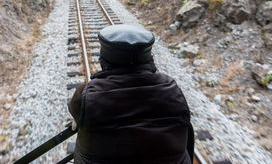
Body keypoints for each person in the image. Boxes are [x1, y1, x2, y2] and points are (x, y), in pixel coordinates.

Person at [68, 24, 193, 164]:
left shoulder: (87, 95)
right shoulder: (172, 88)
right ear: (149, 59)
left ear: (103, 62)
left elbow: (75, 110)